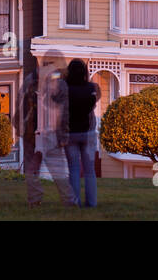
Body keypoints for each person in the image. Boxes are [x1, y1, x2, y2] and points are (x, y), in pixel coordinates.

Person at [22, 53, 76, 207]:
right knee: (53, 171)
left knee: (35, 170)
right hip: (40, 134)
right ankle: (65, 201)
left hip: (44, 134)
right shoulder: (55, 84)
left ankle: (37, 200)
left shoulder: (36, 82)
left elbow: (63, 112)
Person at [62, 58, 100, 207]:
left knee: (74, 169)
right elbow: (94, 100)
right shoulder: (91, 88)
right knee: (90, 171)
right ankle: (91, 203)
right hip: (88, 133)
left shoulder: (64, 89)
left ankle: (74, 202)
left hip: (70, 133)